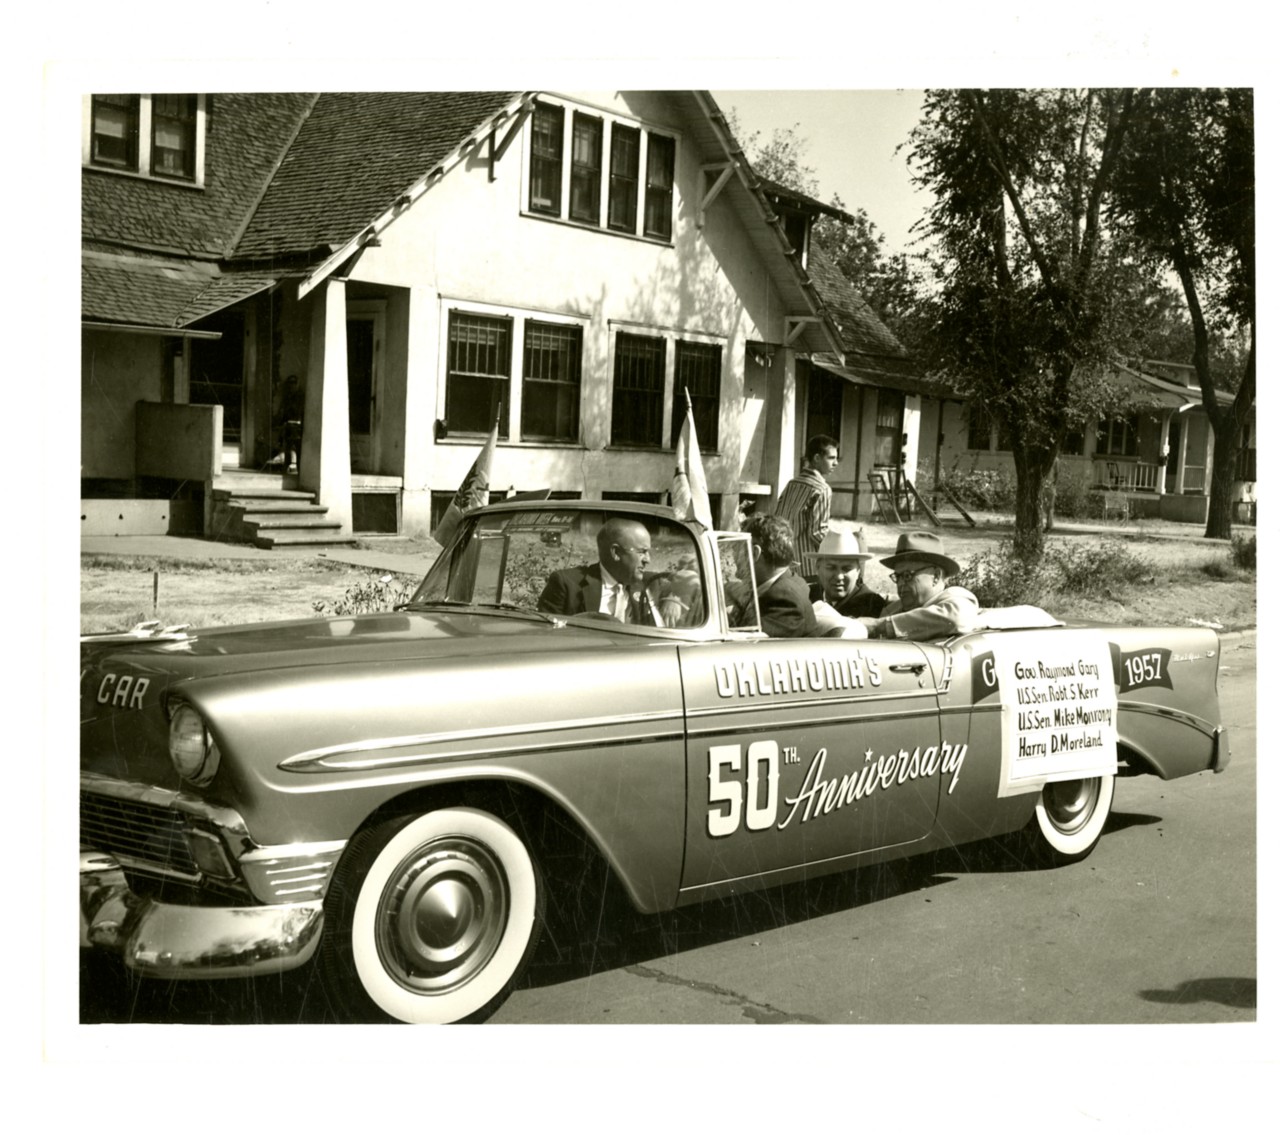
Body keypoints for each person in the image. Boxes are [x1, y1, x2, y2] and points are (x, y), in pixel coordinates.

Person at [537, 516, 669, 625]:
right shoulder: (567, 584)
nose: (648, 560)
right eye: (642, 552)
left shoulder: (652, 583)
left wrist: (672, 600)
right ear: (616, 552)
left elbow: (687, 580)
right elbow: (544, 634)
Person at [857, 531, 979, 640]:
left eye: (907, 575)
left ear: (936, 576)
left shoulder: (958, 601)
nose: (900, 583)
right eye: (898, 576)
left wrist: (877, 627)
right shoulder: (894, 609)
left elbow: (956, 618)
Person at [735, 514, 818, 638]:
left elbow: (744, 643)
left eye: (738, 549)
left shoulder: (785, 597)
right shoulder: (786, 583)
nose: (734, 557)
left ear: (754, 553)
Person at [774, 434, 838, 576]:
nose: (836, 463)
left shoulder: (792, 484)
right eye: (831, 458)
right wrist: (838, 547)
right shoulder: (822, 489)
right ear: (816, 458)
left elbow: (777, 521)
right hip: (808, 567)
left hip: (784, 562)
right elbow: (817, 533)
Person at [809, 528, 887, 618]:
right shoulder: (807, 597)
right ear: (817, 568)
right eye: (831, 568)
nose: (839, 576)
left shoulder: (871, 605)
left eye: (846, 568)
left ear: (858, 571)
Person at [273, 374, 304, 472]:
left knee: (296, 447)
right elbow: (283, 411)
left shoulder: (300, 397)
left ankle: (297, 467)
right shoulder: (287, 397)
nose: (291, 386)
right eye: (290, 383)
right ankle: (286, 465)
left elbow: (299, 410)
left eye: (293, 383)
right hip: (288, 424)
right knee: (287, 445)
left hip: (297, 425)